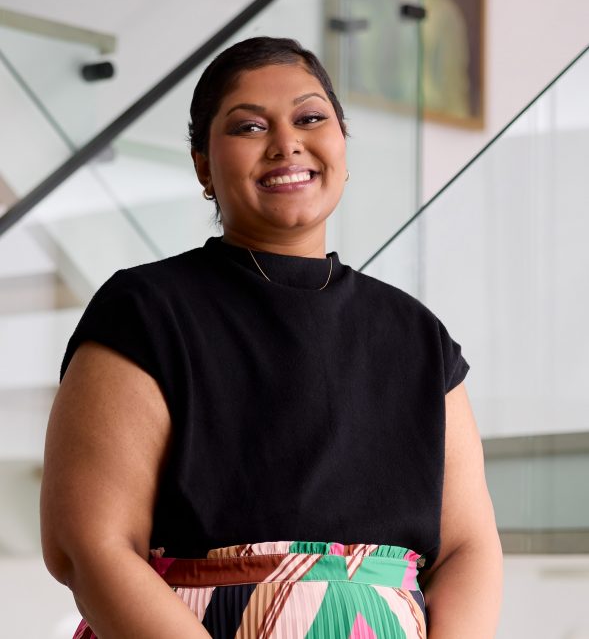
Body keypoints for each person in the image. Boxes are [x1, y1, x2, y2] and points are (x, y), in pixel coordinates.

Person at [41, 37, 502, 638]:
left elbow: (469, 549)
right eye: (249, 126)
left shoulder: (418, 335)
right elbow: (87, 546)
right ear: (203, 164)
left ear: (341, 142)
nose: (287, 142)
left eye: (311, 118)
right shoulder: (146, 312)